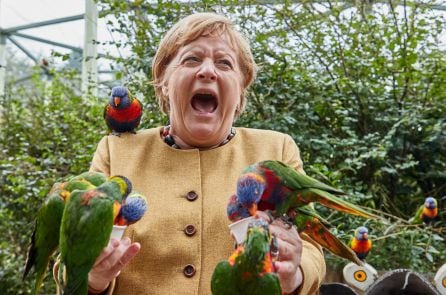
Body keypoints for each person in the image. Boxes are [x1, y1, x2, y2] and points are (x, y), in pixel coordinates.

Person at [85, 12, 325, 295]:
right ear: (164, 79)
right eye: (191, 59)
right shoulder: (117, 151)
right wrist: (93, 277)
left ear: (240, 88)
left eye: (225, 63)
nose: (208, 71)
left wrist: (294, 274)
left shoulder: (276, 150)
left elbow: (311, 247)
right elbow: (72, 253)